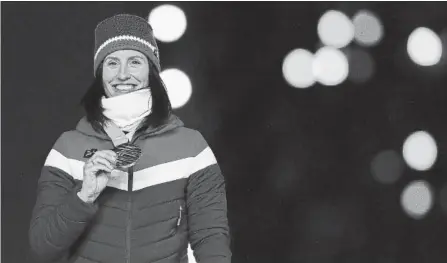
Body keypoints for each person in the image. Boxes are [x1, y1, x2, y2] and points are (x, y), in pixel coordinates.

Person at [28, 13, 231, 263]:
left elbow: (210, 239)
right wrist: (84, 196)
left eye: (134, 61)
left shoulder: (192, 148)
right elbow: (43, 246)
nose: (122, 75)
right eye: (112, 63)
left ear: (152, 70)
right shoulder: (67, 148)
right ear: (100, 72)